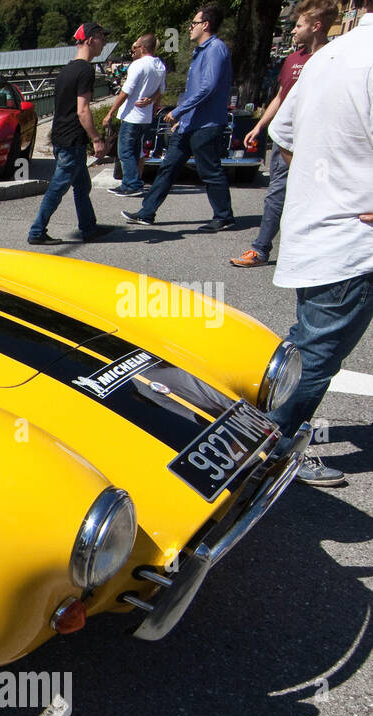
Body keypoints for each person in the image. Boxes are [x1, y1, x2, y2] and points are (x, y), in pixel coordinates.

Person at [262, 0, 373, 486]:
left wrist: (325, 181)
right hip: (354, 239)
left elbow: (283, 133)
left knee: (308, 347)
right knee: (315, 354)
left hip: (325, 230)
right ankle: (272, 451)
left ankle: (264, 441)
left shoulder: (330, 55)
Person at [229, 0, 337, 268]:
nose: (293, 31)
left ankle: (314, 253)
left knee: (315, 195)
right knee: (277, 193)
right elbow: (281, 96)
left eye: (299, 25)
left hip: (315, 141)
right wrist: (259, 126)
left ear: (317, 26)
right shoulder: (292, 59)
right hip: (285, 141)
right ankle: (261, 249)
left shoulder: (334, 57)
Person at [123, 4, 234, 231]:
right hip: (189, 124)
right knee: (168, 167)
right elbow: (196, 90)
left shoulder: (215, 49)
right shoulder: (201, 50)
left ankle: (224, 216)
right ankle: (147, 213)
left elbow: (208, 88)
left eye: (193, 23)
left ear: (206, 25)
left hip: (206, 123)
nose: (190, 28)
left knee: (210, 171)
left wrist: (179, 112)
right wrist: (182, 120)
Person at [27, 23, 110, 245]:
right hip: (72, 139)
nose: (104, 43)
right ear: (91, 40)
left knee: (82, 185)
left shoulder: (67, 69)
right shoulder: (85, 70)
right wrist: (96, 138)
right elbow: (82, 110)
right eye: (102, 38)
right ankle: (36, 231)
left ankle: (89, 228)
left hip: (62, 136)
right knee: (58, 186)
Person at [103, 34, 165, 197]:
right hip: (146, 117)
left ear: (143, 48)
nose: (133, 51)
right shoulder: (159, 65)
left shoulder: (138, 65)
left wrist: (111, 111)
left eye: (135, 48)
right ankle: (132, 181)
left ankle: (132, 184)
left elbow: (126, 92)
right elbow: (161, 90)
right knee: (136, 150)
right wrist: (151, 100)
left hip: (132, 115)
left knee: (125, 151)